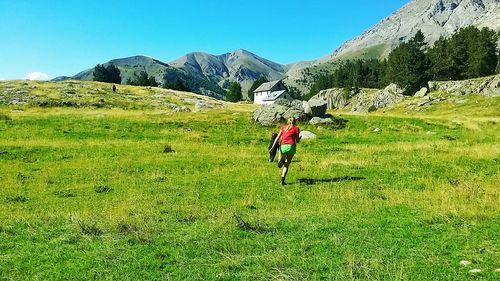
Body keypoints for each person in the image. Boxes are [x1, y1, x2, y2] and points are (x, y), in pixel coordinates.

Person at [269, 117, 301, 185]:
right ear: (295, 122)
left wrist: (272, 147)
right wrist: (299, 138)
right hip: (291, 147)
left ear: (287, 121)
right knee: (287, 165)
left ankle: (281, 159)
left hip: (283, 146)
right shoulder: (296, 128)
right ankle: (282, 180)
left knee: (281, 154)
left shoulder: (283, 128)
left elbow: (277, 138)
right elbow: (297, 141)